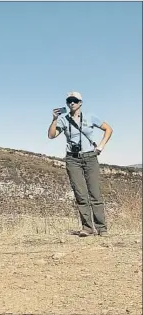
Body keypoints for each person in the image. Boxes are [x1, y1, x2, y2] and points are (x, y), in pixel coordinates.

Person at [48, 91, 113, 237]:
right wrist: (54, 119)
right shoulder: (64, 120)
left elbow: (108, 129)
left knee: (95, 192)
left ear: (80, 103)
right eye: (69, 101)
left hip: (90, 157)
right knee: (80, 194)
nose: (72, 103)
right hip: (73, 159)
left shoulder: (90, 117)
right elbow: (51, 135)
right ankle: (87, 228)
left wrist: (101, 146)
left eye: (75, 101)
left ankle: (102, 228)